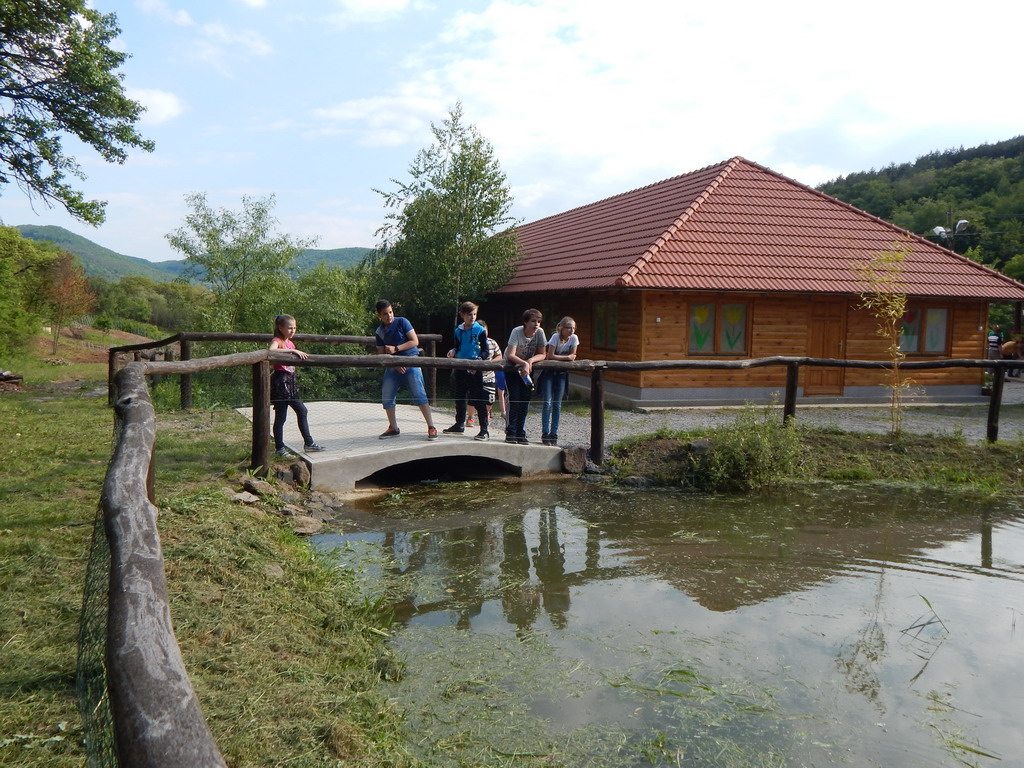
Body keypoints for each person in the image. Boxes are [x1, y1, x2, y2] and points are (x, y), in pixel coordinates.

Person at [374, 300, 438, 440]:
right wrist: (394, 364)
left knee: (419, 394)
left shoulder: (402, 322)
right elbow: (381, 354)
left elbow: (414, 341)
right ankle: (393, 427)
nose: (389, 316)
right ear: (379, 315)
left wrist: (396, 349)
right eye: (385, 314)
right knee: (387, 396)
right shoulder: (379, 332)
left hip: (411, 361)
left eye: (390, 312)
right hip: (393, 366)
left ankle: (431, 426)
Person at [269, 314, 324, 457]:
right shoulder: (278, 341)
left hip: (291, 382)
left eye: (294, 328)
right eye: (289, 328)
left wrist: (292, 348)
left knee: (301, 411)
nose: (292, 331)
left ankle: (308, 443)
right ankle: (280, 448)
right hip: (281, 383)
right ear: (280, 328)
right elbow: (271, 351)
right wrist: (293, 351)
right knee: (282, 416)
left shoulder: (290, 343)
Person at [443, 301, 491, 441]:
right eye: (470, 314)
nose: (472, 317)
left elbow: (486, 351)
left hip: (474, 369)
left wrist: (478, 362)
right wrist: (453, 351)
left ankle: (484, 429)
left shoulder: (480, 330)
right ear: (462, 315)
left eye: (474, 314)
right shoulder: (458, 331)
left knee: (478, 398)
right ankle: (459, 424)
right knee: (460, 396)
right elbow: (457, 346)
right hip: (460, 367)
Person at [504, 308, 547, 444]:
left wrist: (530, 361)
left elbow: (543, 354)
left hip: (527, 369)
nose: (536, 324)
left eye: (539, 322)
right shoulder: (516, 332)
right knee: (514, 399)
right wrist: (524, 363)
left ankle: (520, 432)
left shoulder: (540, 333)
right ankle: (511, 431)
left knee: (525, 400)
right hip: (512, 367)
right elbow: (510, 354)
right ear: (525, 322)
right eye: (533, 321)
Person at [541, 316, 579, 446]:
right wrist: (566, 357)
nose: (571, 331)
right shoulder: (555, 337)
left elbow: (573, 356)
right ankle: (545, 433)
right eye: (569, 328)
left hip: (562, 373)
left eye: (573, 328)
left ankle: (554, 433)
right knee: (547, 402)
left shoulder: (574, 338)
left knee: (557, 404)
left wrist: (566, 357)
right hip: (549, 372)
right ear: (561, 328)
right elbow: (550, 355)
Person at [478, 319, 505, 425]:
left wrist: (491, 363)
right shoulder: (473, 343)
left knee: (490, 398)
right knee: (474, 398)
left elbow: (499, 355)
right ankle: (471, 416)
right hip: (476, 375)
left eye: (485, 331)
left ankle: (487, 413)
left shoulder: (492, 342)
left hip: (489, 375)